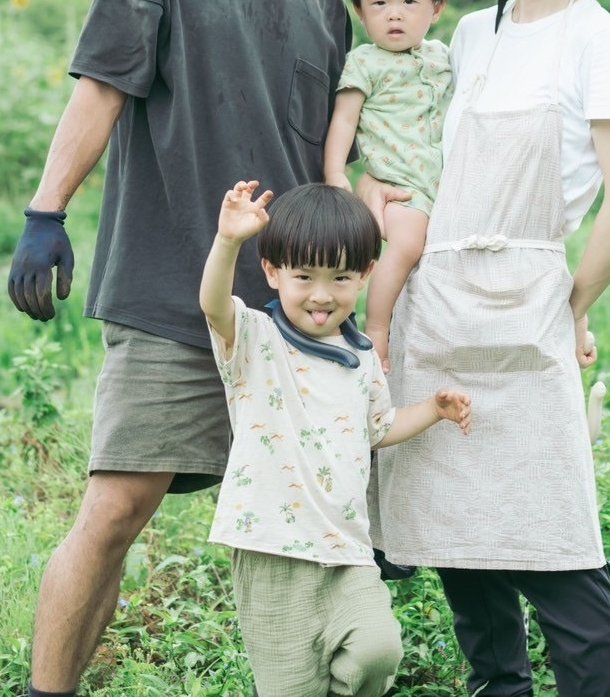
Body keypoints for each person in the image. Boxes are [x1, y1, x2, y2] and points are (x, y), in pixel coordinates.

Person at [6, 0, 352, 697]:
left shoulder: (327, 6)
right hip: (171, 292)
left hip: (289, 317)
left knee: (308, 524)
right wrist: (47, 211)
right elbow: (103, 86)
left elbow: (331, 168)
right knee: (118, 507)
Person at [369, 0, 610, 697]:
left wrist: (570, 305)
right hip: (438, 300)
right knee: (460, 536)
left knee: (557, 545)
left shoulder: (596, 39)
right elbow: (428, 164)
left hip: (526, 301)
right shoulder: (467, 34)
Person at [199, 179, 472, 696]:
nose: (322, 295)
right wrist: (228, 241)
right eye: (303, 276)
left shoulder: (362, 353)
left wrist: (433, 411)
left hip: (346, 547)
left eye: (341, 278)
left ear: (366, 274)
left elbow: (380, 427)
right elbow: (214, 305)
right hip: (272, 548)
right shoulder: (255, 338)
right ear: (273, 272)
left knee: (377, 648)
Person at [323, 0, 453, 371]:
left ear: (436, 7)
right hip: (398, 185)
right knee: (407, 245)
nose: (393, 15)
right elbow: (343, 119)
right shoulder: (364, 61)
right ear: (360, 10)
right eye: (379, 3)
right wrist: (337, 174)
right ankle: (377, 329)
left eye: (409, 2)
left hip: (440, 188)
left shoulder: (442, 58)